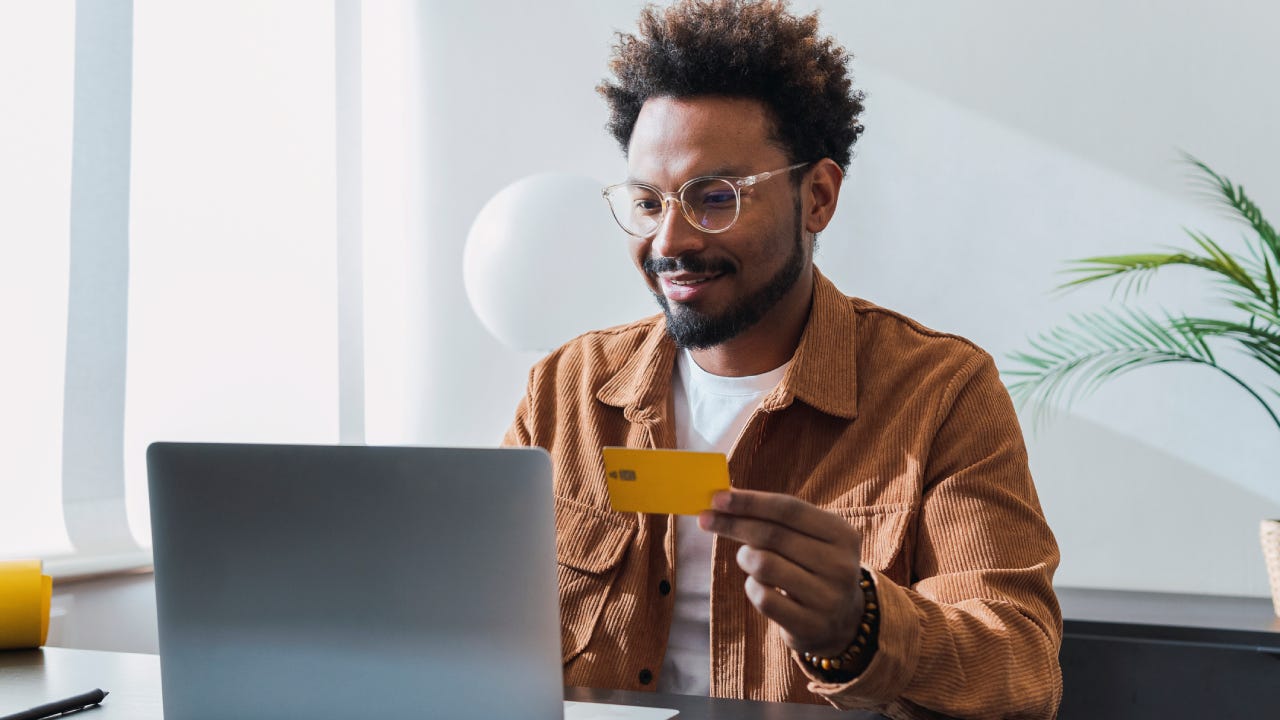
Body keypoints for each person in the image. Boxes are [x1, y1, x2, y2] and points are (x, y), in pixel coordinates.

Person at [503, 1, 1062, 717]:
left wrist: (860, 627)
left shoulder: (941, 394)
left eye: (715, 197)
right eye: (648, 201)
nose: (670, 240)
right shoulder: (567, 389)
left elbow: (1020, 670)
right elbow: (473, 625)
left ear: (818, 197)